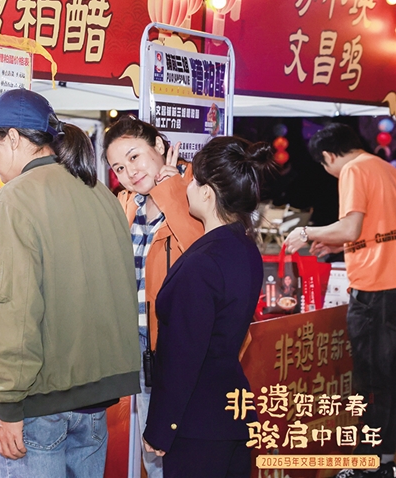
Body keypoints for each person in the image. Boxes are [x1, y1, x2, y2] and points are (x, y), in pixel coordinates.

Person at [0, 89, 140, 477]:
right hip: (96, 399)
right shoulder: (101, 193)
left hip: (40, 402)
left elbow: (14, 307)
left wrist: (7, 403)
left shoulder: (14, 198)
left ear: (12, 138)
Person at [143, 137, 271, 478]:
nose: (187, 186)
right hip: (231, 414)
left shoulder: (204, 261)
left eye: (193, 180)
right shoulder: (244, 248)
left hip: (197, 424)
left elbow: (183, 355)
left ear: (207, 193)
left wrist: (161, 427)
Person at [285, 123, 396, 478]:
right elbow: (375, 231)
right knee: (387, 380)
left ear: (328, 156)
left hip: (374, 289)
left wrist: (306, 232)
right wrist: (335, 243)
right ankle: (386, 461)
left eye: (324, 165)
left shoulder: (353, 169)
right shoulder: (383, 167)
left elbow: (351, 227)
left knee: (372, 383)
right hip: (390, 285)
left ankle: (368, 464)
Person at [103, 115, 203, 478]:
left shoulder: (195, 193)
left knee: (186, 449)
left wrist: (172, 190)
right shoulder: (127, 204)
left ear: (159, 146)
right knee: (153, 451)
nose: (129, 172)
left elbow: (199, 252)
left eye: (134, 157)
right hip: (141, 348)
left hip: (182, 346)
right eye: (118, 167)